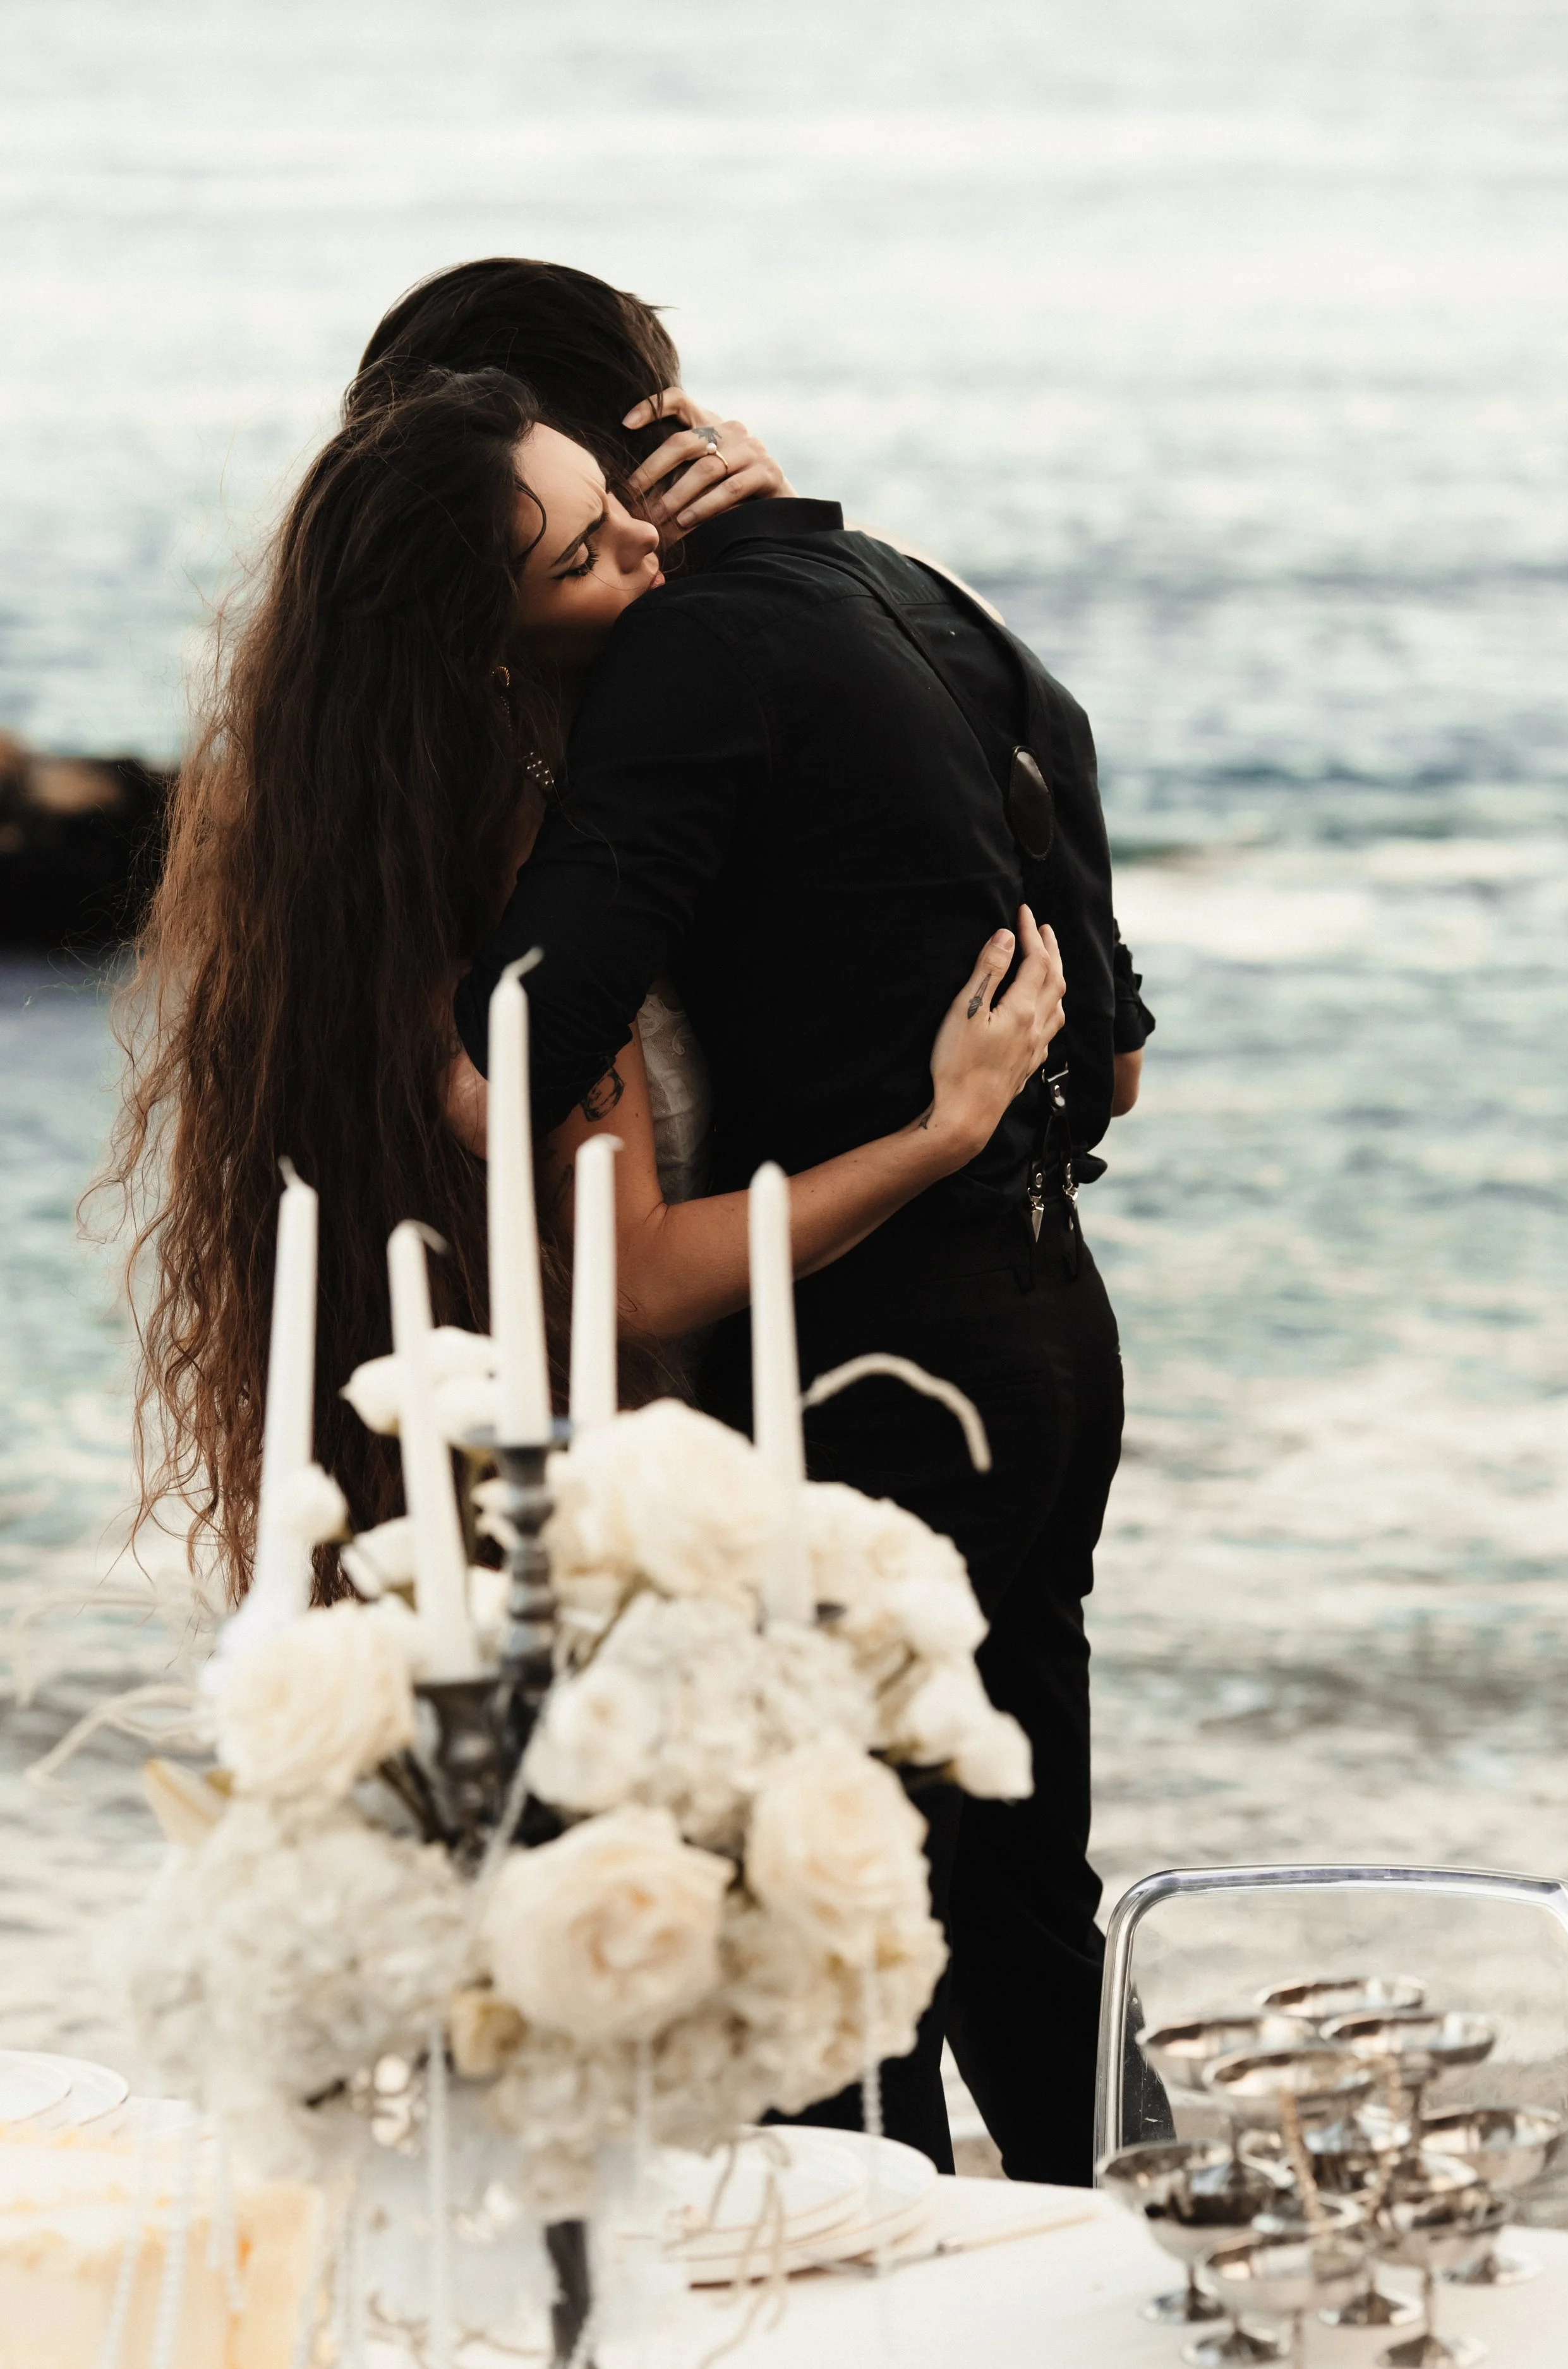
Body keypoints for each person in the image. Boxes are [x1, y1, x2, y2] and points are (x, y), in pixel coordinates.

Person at [364, 260, 1155, 2185]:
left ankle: (847, 2297)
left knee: (824, 1923)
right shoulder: (915, 595)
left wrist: (408, 1046)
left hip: (877, 1350)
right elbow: (1117, 1065)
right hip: (1051, 1318)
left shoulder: (692, 654)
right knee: (1017, 1891)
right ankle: (1155, 2263)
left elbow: (533, 1032)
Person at [104, 363, 1063, 1632]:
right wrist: (934, 1140)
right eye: (584, 559)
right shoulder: (516, 905)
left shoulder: (576, 806)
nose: (644, 542)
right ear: (484, 647)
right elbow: (638, 1282)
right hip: (619, 1519)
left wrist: (774, 539)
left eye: (614, 498)